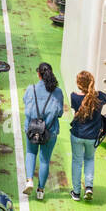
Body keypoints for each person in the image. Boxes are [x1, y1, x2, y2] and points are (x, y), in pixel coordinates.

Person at [68, 70, 106, 202]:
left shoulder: (74, 96)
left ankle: (76, 192)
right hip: (93, 136)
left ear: (79, 84)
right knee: (90, 159)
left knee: (77, 161)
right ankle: (89, 187)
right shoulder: (101, 96)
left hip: (77, 134)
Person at [21, 61, 64, 201]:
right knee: (45, 160)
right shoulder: (57, 92)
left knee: (30, 153)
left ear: (39, 74)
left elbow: (26, 105)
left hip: (32, 129)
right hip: (49, 131)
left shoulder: (31, 89)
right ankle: (40, 191)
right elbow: (60, 113)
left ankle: (29, 180)